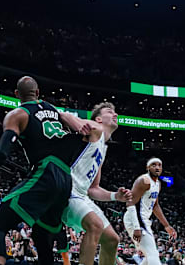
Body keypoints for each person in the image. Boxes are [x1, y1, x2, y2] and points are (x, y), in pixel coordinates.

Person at [0, 77, 88, 265]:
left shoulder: (18, 114)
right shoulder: (54, 110)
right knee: (42, 235)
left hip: (46, 172)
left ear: (16, 94)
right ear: (38, 93)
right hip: (66, 177)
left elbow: (1, 152)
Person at [60, 102, 131, 265]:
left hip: (82, 195)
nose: (115, 114)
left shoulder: (102, 147)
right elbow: (67, 115)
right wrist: (69, 118)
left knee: (112, 239)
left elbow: (93, 189)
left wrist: (115, 196)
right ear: (99, 119)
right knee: (95, 226)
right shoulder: (95, 128)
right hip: (68, 190)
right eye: (109, 111)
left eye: (115, 112)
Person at [123, 159, 177, 265]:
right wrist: (137, 226)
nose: (157, 167)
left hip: (144, 220)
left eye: (159, 165)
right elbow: (130, 203)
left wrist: (167, 226)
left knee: (150, 255)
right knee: (152, 254)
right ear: (148, 168)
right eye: (153, 165)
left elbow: (155, 205)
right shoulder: (143, 181)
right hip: (135, 219)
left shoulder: (158, 184)